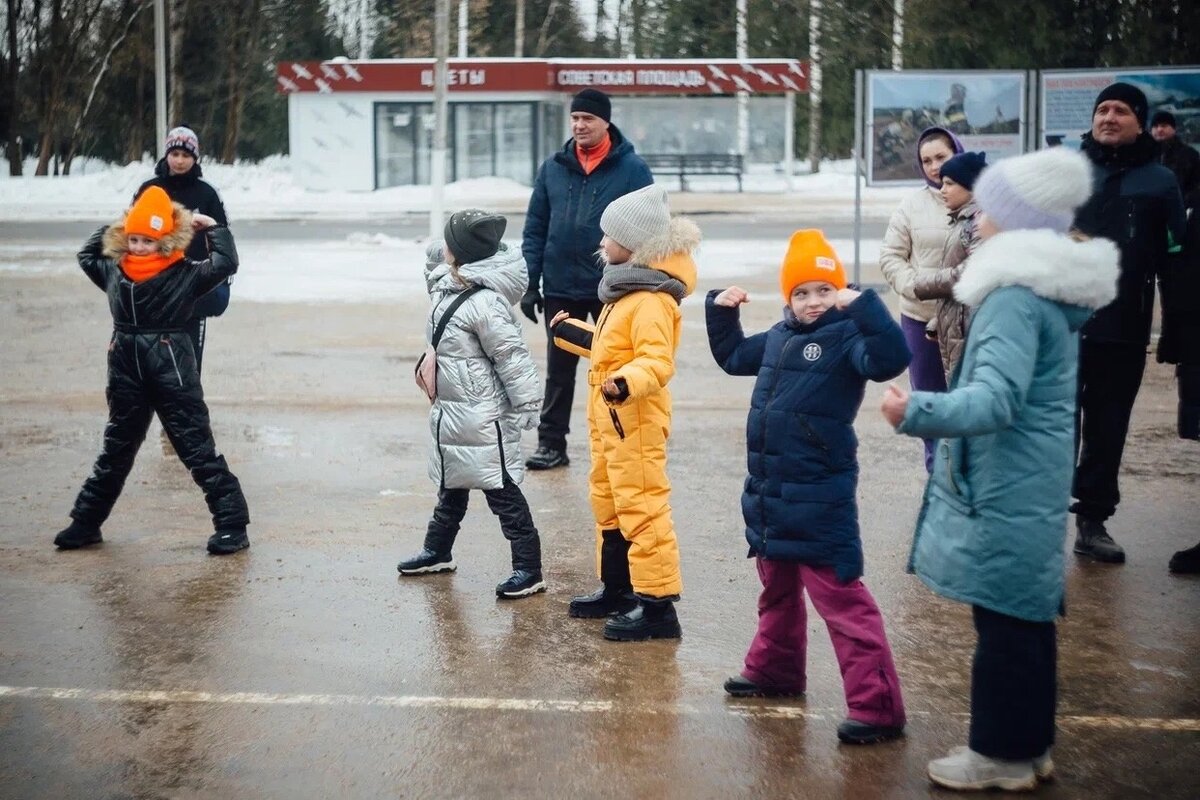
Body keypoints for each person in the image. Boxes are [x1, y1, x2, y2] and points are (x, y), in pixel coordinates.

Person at [881, 146, 1120, 791]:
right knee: (1026, 611)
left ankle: (1000, 754)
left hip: (1007, 475)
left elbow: (996, 399)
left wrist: (916, 410)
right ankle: (1030, 745)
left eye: (991, 202)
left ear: (1015, 219)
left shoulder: (1014, 295)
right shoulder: (1042, 288)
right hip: (1031, 473)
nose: (978, 210)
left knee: (1006, 621)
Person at [707, 230, 911, 745]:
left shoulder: (849, 339)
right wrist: (720, 309)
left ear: (839, 292)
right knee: (775, 589)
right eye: (803, 292)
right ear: (788, 298)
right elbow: (732, 357)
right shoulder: (778, 336)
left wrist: (865, 307)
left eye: (824, 289)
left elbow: (890, 359)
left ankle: (878, 707)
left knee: (843, 601)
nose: (814, 301)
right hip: (769, 492)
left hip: (820, 494)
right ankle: (774, 671)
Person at [53, 186, 252, 555]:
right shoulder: (114, 271)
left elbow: (225, 265)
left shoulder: (184, 273)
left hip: (171, 372)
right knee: (115, 450)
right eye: (134, 238)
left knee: (196, 450)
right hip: (126, 372)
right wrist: (120, 220)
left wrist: (212, 229)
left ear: (163, 240)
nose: (140, 246)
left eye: (148, 240)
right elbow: (85, 255)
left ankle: (232, 525)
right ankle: (85, 523)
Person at [548, 184, 698, 640]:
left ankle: (657, 608)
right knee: (609, 504)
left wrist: (625, 383)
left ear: (633, 244)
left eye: (607, 236)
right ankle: (619, 589)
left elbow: (655, 361)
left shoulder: (651, 300)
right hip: (610, 424)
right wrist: (570, 332)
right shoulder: (625, 293)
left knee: (643, 507)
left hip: (634, 420)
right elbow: (610, 350)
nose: (601, 243)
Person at [396, 210, 547, 599]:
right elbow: (433, 266)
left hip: (483, 415)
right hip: (452, 409)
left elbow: (511, 355)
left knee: (503, 491)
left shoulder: (484, 303)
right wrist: (446, 247)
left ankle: (529, 569)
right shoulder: (448, 285)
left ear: (460, 253)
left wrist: (528, 401)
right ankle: (438, 550)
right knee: (451, 488)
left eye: (448, 242)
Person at [1071, 83, 1187, 564]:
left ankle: (1092, 522)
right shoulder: (1069, 172)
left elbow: (1175, 260)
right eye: (1101, 109)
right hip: (1062, 325)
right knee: (1050, 423)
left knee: (1108, 424)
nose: (1108, 117)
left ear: (1140, 121)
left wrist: (1178, 328)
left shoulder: (1160, 182)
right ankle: (1032, 519)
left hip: (1124, 325)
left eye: (1120, 110)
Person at [520, 88, 654, 471]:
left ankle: (626, 442)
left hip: (613, 287)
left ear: (605, 121)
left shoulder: (632, 170)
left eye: (588, 119)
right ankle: (551, 444)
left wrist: (640, 280)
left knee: (618, 366)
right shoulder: (553, 168)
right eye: (575, 118)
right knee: (559, 372)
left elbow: (648, 229)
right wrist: (531, 284)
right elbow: (535, 229)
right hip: (561, 285)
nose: (579, 125)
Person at [135, 126, 231, 454]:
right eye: (174, 154)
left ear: (195, 157)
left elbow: (222, 235)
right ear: (166, 155)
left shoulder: (206, 193)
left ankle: (184, 421)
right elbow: (131, 232)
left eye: (185, 155)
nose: (179, 160)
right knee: (159, 355)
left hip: (192, 287)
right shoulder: (150, 190)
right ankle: (167, 416)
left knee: (189, 355)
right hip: (156, 285)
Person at [879, 126, 964, 471]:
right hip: (919, 318)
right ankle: (938, 476)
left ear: (957, 153)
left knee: (966, 402)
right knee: (928, 402)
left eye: (940, 157)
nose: (933, 167)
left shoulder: (982, 201)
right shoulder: (911, 205)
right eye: (926, 160)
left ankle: (969, 478)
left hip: (967, 320)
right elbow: (890, 256)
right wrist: (913, 285)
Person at [912, 151, 987, 382]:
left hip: (971, 333)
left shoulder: (980, 221)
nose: (942, 190)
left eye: (949, 184)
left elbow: (974, 271)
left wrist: (925, 284)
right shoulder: (960, 220)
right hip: (958, 332)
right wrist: (941, 321)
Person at [1150, 110, 1200, 210]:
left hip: (1181, 212)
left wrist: (1184, 205)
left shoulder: (1190, 154)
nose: (1159, 129)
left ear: (1174, 129)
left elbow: (1197, 186)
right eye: (1155, 126)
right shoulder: (1145, 155)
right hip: (1149, 212)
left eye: (1164, 126)